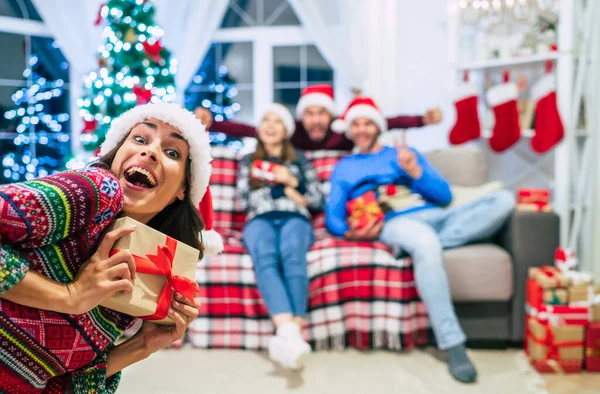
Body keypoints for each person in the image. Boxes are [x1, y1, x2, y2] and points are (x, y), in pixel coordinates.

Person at [0, 103, 223, 393]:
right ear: (117, 153)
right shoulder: (99, 189)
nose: (150, 151)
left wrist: (141, 345)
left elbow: (58, 387)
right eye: (140, 139)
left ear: (183, 188)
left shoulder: (139, 267)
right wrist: (68, 296)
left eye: (172, 152)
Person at [325, 97, 516, 383]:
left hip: (433, 214)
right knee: (425, 242)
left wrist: (415, 171)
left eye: (367, 123)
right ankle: (453, 344)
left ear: (378, 126)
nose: (362, 129)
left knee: (503, 200)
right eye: (356, 124)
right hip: (395, 223)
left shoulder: (405, 154)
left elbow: (445, 197)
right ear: (349, 129)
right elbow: (333, 217)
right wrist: (349, 233)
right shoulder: (346, 167)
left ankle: (415, 249)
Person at [237, 103, 323, 369]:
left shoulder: (299, 159)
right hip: (259, 219)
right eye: (266, 120)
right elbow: (244, 200)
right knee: (265, 256)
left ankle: (288, 334)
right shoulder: (248, 160)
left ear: (286, 129)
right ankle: (292, 335)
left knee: (292, 254)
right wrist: (278, 185)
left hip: (295, 218)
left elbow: (316, 199)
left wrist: (291, 181)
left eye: (277, 121)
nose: (270, 126)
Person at [195, 84, 443, 151]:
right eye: (310, 114)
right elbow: (251, 130)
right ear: (303, 116)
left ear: (331, 115)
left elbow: (387, 123)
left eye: (321, 113)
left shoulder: (344, 132)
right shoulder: (296, 132)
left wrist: (423, 120)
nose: (315, 120)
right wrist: (213, 123)